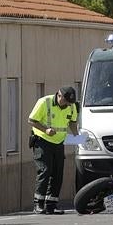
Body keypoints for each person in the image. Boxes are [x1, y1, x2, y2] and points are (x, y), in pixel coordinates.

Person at [28, 86, 79, 214]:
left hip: (59, 142)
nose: (67, 105)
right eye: (65, 101)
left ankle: (51, 205)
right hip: (42, 141)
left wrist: (77, 138)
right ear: (59, 95)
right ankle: (38, 204)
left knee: (57, 174)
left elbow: (72, 122)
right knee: (45, 170)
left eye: (69, 103)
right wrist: (45, 129)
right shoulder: (44, 102)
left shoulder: (72, 106)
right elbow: (32, 120)